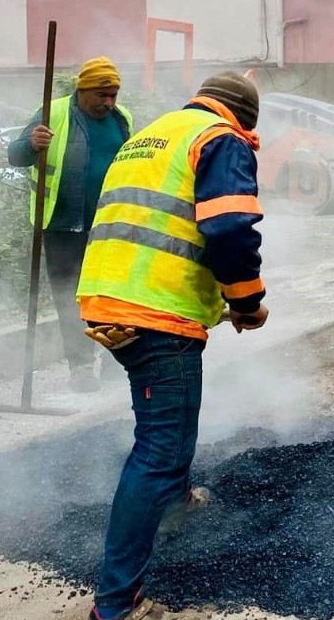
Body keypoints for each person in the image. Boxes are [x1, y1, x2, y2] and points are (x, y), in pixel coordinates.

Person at [76, 72, 269, 620]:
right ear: (243, 119)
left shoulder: (155, 134)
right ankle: (115, 604)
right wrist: (246, 301)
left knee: (169, 427)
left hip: (110, 298)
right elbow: (230, 229)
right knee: (159, 450)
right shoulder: (220, 138)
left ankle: (178, 504)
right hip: (156, 311)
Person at [8, 56, 133, 393]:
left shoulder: (123, 120)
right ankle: (80, 368)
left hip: (110, 225)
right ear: (83, 90)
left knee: (111, 296)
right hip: (62, 226)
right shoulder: (55, 113)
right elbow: (15, 156)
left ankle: (113, 362)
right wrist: (32, 144)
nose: (108, 102)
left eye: (113, 95)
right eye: (101, 95)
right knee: (71, 300)